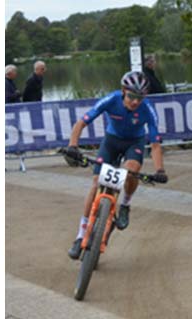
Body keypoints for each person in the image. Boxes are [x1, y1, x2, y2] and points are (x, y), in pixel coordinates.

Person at [61, 70, 167, 256]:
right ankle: (80, 236)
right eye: (132, 96)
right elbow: (81, 123)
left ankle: (125, 203)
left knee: (132, 170)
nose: (135, 102)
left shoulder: (147, 110)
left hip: (134, 143)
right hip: (111, 141)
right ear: (123, 90)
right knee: (96, 184)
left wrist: (160, 169)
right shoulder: (112, 99)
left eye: (140, 98)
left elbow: (155, 144)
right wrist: (73, 145)